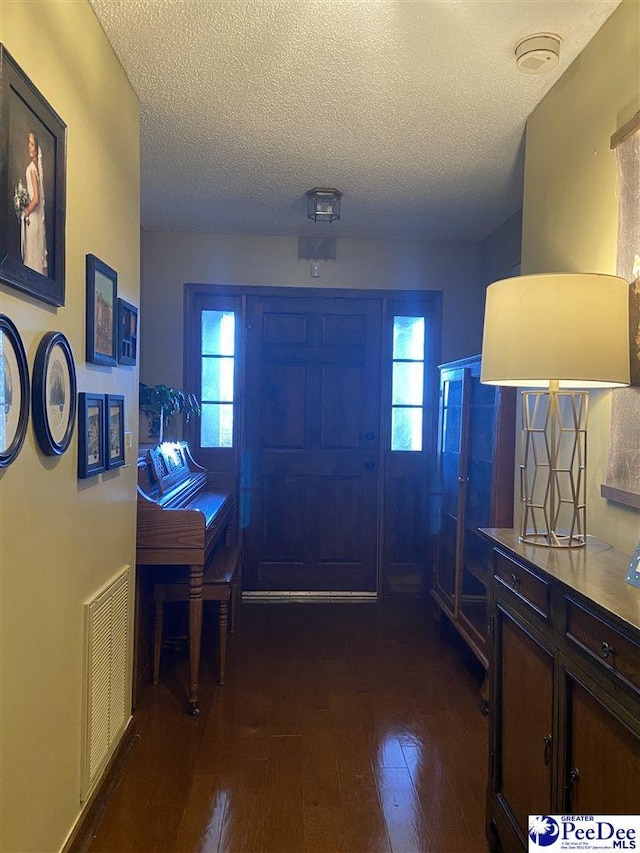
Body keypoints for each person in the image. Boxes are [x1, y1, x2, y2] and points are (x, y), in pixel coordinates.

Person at [21, 131, 47, 275]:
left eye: (32, 144)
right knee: (37, 253)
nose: (29, 147)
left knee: (32, 253)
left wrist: (26, 211)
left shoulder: (31, 169)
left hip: (33, 219)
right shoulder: (37, 169)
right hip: (38, 220)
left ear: (36, 147)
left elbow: (36, 199)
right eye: (29, 143)